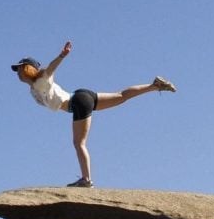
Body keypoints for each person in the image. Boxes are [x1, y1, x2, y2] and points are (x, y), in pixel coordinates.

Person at [11, 41, 176, 187]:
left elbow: (50, 68)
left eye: (19, 68)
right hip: (82, 97)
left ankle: (86, 179)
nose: (17, 72)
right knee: (121, 96)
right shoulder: (33, 90)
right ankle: (155, 86)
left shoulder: (42, 79)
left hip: (77, 103)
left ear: (28, 68)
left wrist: (62, 55)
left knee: (79, 143)